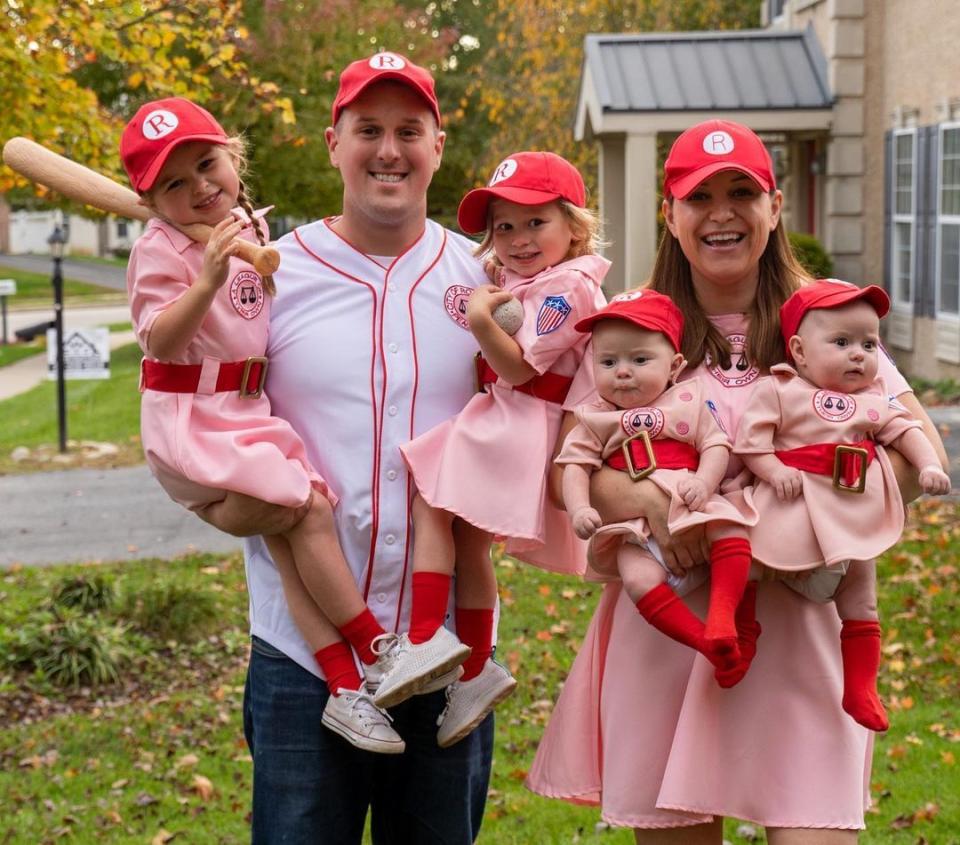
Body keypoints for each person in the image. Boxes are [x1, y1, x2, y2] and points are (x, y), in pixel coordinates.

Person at [527, 119, 949, 842]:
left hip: (802, 624)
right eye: (700, 196)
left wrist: (798, 507)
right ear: (670, 214)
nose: (721, 212)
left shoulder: (832, 319)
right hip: (678, 629)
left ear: (775, 207)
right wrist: (657, 507)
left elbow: (916, 457)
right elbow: (573, 465)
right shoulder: (629, 324)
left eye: (741, 192)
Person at [190, 52, 495, 843]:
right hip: (303, 656)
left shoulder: (486, 283)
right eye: (368, 130)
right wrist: (220, 499)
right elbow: (203, 414)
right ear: (333, 143)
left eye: (407, 130)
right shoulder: (270, 274)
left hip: (442, 653)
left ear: (436, 143)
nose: (388, 150)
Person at [121, 96, 422, 756]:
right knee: (307, 510)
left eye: (207, 165)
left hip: (244, 414)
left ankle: (346, 684)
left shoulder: (247, 225)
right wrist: (205, 280)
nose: (199, 187)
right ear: (151, 201)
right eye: (174, 184)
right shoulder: (159, 250)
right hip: (195, 416)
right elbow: (161, 342)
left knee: (293, 524)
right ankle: (375, 648)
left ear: (233, 155)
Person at [382, 151, 608, 745]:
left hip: (520, 418)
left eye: (536, 222)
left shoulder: (569, 289)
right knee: (469, 540)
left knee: (429, 498)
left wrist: (482, 319)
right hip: (512, 419)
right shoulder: (531, 280)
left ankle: (426, 636)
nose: (517, 239)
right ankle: (477, 671)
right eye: (503, 227)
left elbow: (519, 369)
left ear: (574, 227)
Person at [736, 279, 950, 730]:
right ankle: (740, 633)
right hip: (790, 506)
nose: (859, 354)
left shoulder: (871, 401)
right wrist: (774, 471)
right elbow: (750, 444)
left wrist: (928, 464)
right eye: (841, 342)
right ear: (798, 349)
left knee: (862, 595)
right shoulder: (780, 389)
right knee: (748, 565)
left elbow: (907, 431)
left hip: (850, 512)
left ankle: (861, 685)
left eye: (869, 344)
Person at [556, 290, 757, 680]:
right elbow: (573, 467)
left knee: (733, 533)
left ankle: (723, 620)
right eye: (609, 362)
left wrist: (704, 480)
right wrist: (581, 507)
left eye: (640, 360)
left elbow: (715, 444)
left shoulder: (686, 401)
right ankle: (703, 641)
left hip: (691, 499)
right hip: (635, 527)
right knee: (636, 578)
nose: (623, 371)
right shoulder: (596, 418)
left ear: (675, 366)